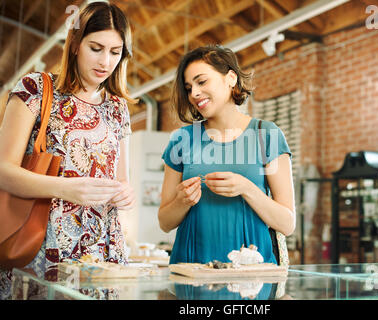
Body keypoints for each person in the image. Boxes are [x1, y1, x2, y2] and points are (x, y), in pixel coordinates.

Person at [0, 2, 136, 299]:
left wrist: (125, 192)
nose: (105, 61)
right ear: (75, 45)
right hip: (41, 242)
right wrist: (65, 188)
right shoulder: (35, 88)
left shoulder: (117, 107)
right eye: (96, 48)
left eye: (115, 52)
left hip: (102, 249)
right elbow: (3, 170)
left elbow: (121, 180)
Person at [158, 45, 295, 265]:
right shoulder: (181, 140)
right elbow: (165, 222)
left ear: (231, 78)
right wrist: (182, 201)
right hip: (191, 269)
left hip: (250, 277)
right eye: (188, 87)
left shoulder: (267, 135)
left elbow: (287, 224)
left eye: (201, 82)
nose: (194, 93)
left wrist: (247, 188)